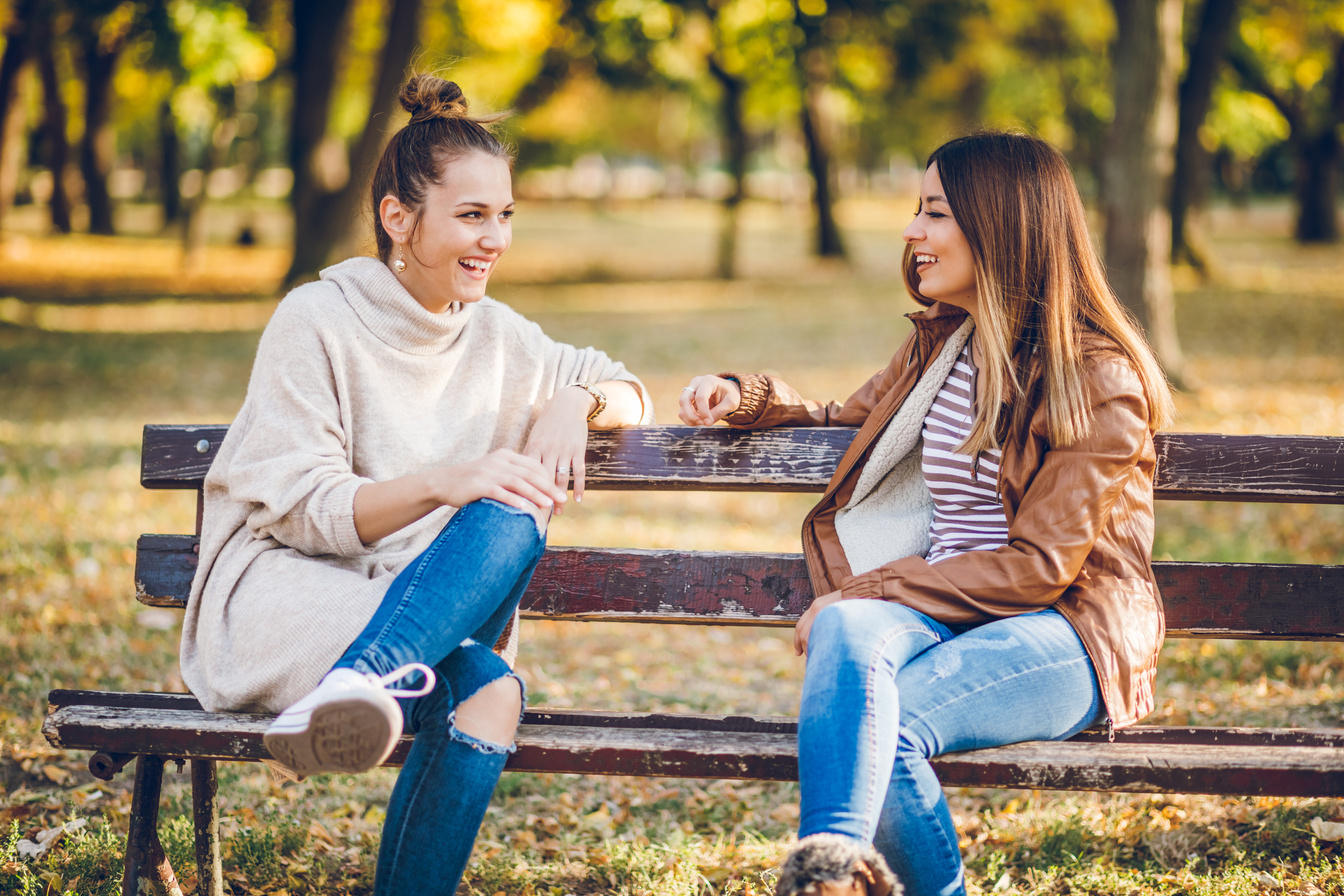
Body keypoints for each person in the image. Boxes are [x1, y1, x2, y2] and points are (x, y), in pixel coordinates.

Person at [180, 73, 653, 895]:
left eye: (505, 215)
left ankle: (364, 684)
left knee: (509, 563)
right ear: (400, 218)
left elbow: (628, 386)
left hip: (411, 604)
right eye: (472, 215)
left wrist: (575, 402)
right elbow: (303, 510)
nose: (495, 239)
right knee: (488, 665)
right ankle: (369, 679)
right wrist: (445, 481)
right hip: (290, 593)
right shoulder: (317, 320)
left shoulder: (503, 337)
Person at [678, 132, 1175, 896]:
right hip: (944, 604)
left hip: (1066, 630)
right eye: (919, 210)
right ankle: (833, 871)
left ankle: (832, 876)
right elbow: (848, 418)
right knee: (846, 636)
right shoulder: (944, 346)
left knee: (881, 724)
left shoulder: (1097, 376)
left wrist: (869, 589)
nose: (913, 232)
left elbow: (1040, 568)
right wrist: (745, 397)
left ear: (1001, 224)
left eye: (934, 212)